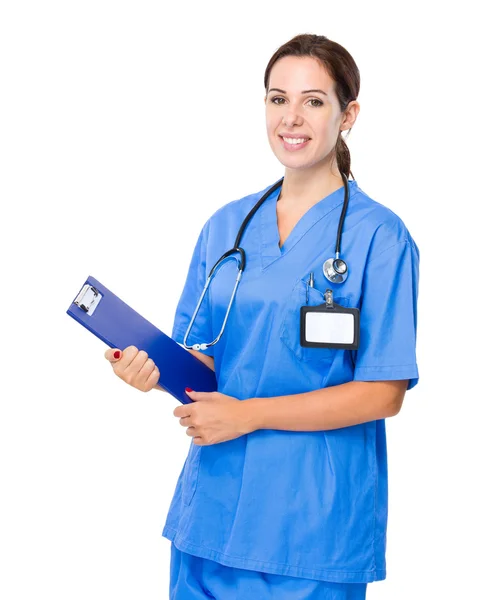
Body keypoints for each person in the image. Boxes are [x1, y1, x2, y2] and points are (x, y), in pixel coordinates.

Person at [105, 33, 420, 600]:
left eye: (313, 101)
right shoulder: (227, 226)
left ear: (348, 115)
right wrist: (149, 370)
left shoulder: (380, 237)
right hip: (211, 515)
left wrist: (249, 415)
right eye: (278, 99)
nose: (291, 118)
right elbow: (201, 361)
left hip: (312, 526)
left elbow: (384, 392)